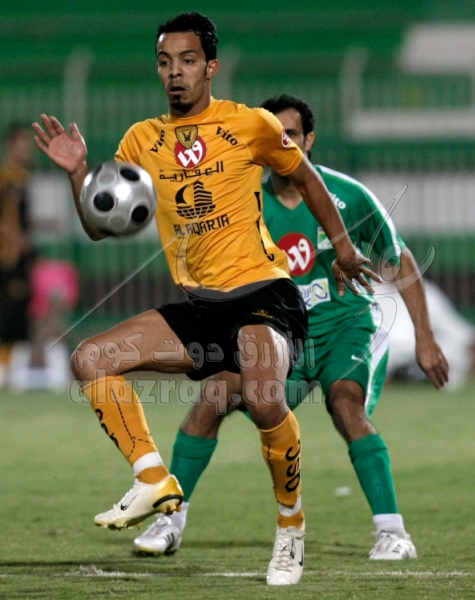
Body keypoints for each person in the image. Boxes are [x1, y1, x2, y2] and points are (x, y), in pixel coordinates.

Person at [32, 15, 377, 586]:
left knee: (264, 400)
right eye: (165, 62)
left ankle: (290, 527)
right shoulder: (142, 139)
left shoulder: (250, 124)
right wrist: (78, 175)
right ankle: (152, 479)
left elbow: (308, 179)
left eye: (188, 61)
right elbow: (98, 227)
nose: (175, 72)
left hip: (265, 294)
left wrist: (342, 247)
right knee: (90, 359)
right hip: (201, 307)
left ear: (210, 67)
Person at [132, 94, 449, 561]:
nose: (285, 143)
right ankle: (170, 521)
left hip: (344, 326)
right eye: (276, 134)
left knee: (345, 404)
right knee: (214, 397)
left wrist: (425, 338)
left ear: (309, 140)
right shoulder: (245, 200)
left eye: (293, 135)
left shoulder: (347, 195)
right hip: (279, 334)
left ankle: (393, 532)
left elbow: (399, 259)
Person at [0, 124, 35, 388]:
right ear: (11, 146)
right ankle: (3, 368)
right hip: (7, 256)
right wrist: (16, 240)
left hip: (19, 256)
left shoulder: (23, 178)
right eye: (21, 144)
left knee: (18, 314)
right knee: (8, 312)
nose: (26, 149)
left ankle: (11, 369)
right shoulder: (6, 179)